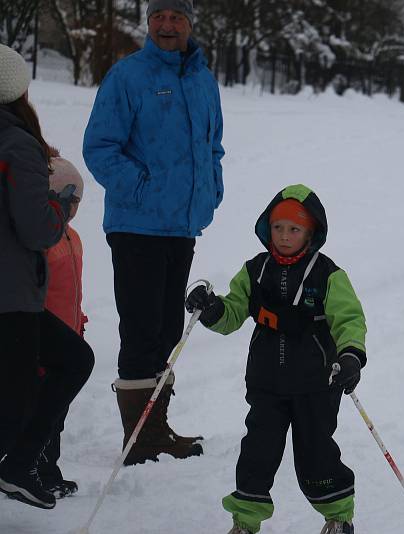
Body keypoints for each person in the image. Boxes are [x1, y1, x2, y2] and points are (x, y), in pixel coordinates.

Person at [82, 0, 224, 465]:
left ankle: (155, 427)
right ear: (148, 23)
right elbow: (100, 147)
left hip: (181, 226)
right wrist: (142, 189)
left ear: (189, 23)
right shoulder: (128, 77)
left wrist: (211, 191)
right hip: (137, 225)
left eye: (177, 16)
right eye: (159, 16)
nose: (167, 25)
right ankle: (139, 436)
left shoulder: (203, 81)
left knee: (166, 330)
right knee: (142, 328)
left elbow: (213, 145)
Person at [185, 185, 367, 534]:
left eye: (294, 229)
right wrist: (211, 308)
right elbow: (233, 313)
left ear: (310, 233)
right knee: (257, 451)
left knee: (316, 454)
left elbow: (349, 320)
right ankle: (245, 523)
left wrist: (350, 357)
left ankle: (338, 517)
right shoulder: (255, 270)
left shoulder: (327, 274)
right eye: (278, 227)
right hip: (267, 381)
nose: (284, 236)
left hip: (316, 382)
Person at [0, 44, 94, 510]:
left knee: (71, 361)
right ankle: (18, 465)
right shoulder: (16, 143)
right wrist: (56, 205)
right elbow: (37, 229)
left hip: (21, 298)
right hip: (11, 296)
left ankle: (23, 466)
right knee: (16, 404)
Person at [36, 157, 89, 499]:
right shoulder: (39, 240)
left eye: (77, 204)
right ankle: (33, 468)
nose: (73, 210)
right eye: (70, 202)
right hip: (42, 344)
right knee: (40, 411)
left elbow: (72, 291)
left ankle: (47, 468)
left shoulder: (74, 238)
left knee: (58, 414)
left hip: (69, 336)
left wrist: (78, 321)